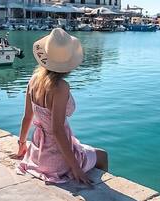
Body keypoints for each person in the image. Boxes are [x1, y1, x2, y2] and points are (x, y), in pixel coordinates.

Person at [16, 28, 108, 186]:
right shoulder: (60, 87)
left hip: (37, 153)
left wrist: (22, 145)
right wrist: (76, 168)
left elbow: (27, 117)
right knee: (102, 155)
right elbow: (57, 130)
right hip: (56, 160)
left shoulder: (33, 80)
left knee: (84, 147)